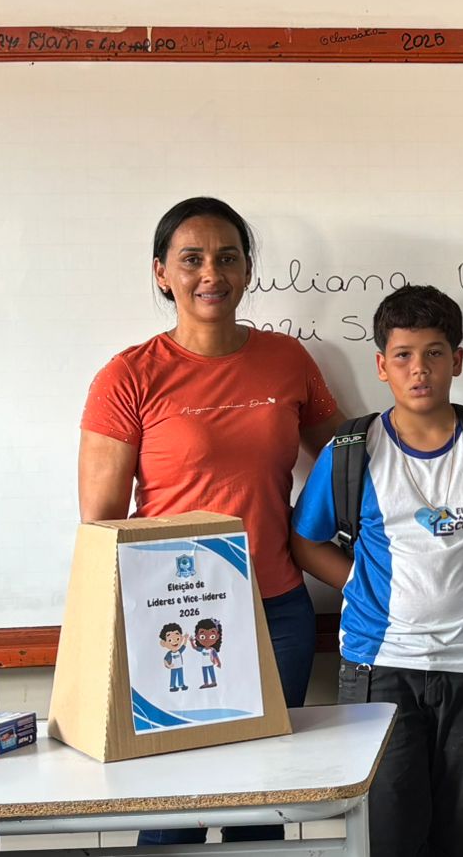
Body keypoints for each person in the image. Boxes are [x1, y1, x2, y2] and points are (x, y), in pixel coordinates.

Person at [78, 196, 342, 846]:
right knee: (175, 814)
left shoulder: (288, 361)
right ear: (162, 273)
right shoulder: (128, 377)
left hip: (276, 610)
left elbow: (347, 464)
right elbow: (100, 521)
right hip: (171, 619)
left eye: (227, 258)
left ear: (247, 270)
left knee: (263, 811)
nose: (211, 274)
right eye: (191, 259)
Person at [290, 284, 463, 857]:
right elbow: (306, 542)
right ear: (381, 365)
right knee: (389, 831)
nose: (420, 369)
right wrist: (359, 585)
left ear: (456, 360)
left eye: (435, 353)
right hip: (380, 667)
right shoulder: (352, 450)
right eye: (404, 355)